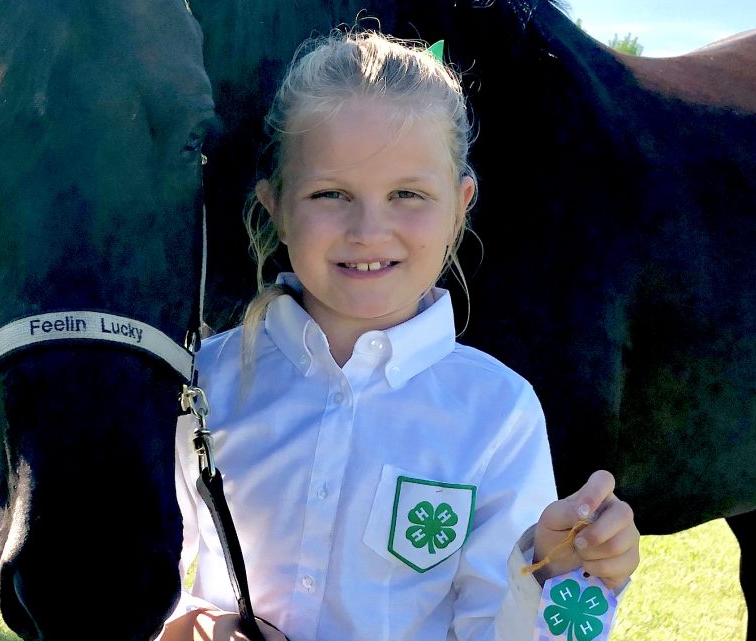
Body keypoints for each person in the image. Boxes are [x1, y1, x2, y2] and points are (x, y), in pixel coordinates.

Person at [160, 28, 640, 641]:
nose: (368, 229)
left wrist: (552, 575)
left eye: (407, 194)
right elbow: (132, 585)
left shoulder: (497, 414)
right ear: (274, 204)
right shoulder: (203, 383)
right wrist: (183, 626)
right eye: (330, 193)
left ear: (460, 205)